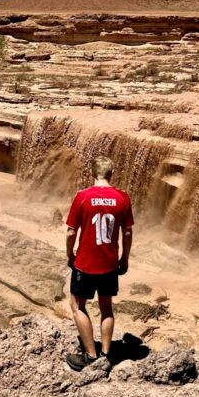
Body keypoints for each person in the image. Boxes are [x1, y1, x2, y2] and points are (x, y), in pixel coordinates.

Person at [64, 155, 134, 370]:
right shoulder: (123, 198)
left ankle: (91, 357)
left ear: (92, 173)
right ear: (111, 174)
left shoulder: (83, 196)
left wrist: (70, 255)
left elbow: (71, 232)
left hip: (85, 263)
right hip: (110, 263)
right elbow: (128, 231)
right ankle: (106, 354)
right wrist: (124, 257)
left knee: (77, 305)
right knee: (106, 308)